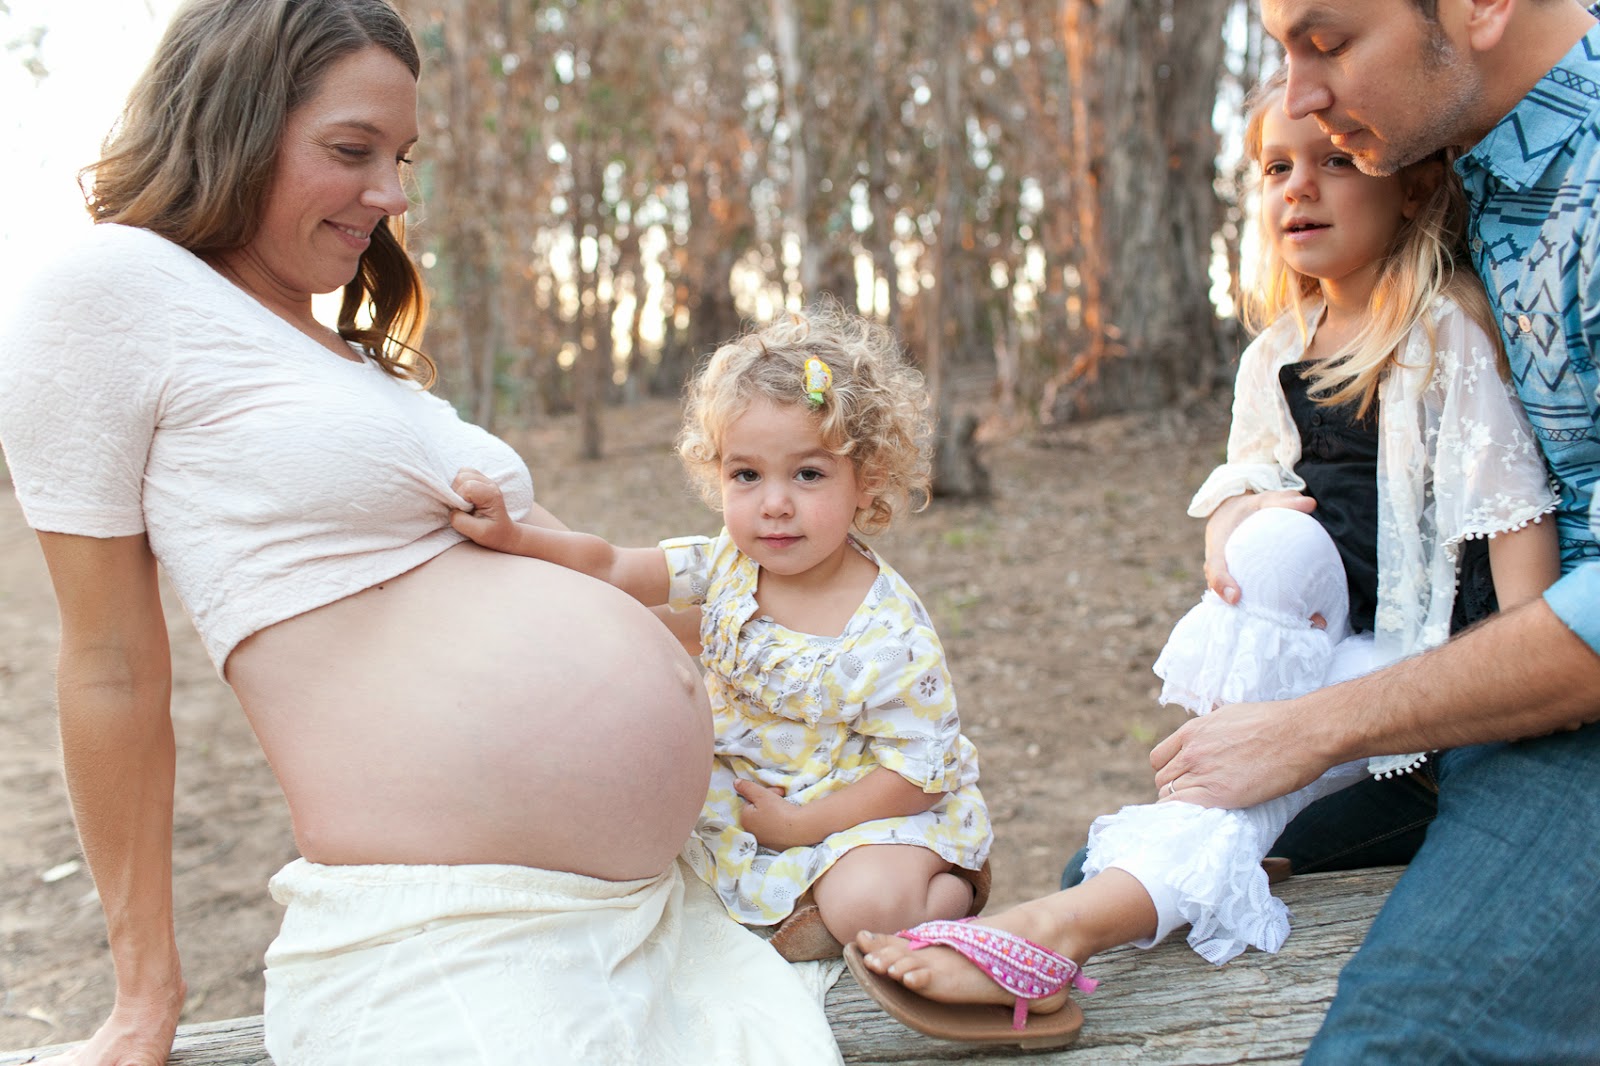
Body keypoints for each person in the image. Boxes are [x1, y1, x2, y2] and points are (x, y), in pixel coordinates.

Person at [0, 2, 841, 1064]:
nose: (392, 196)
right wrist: (143, 998)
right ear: (230, 124)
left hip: (654, 909)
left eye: (401, 157)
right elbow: (111, 663)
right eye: (352, 151)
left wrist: (841, 690)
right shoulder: (106, 291)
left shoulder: (340, 354)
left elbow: (578, 576)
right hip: (451, 927)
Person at [842, 65, 1562, 1051]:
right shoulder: (1275, 352)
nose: (1296, 187)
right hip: (1309, 658)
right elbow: (1244, 482)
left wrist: (1492, 744)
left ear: (1411, 186)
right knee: (1269, 548)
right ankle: (1134, 877)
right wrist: (1231, 525)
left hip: (1419, 692)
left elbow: (1523, 566)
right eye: (1274, 166)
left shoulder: (1442, 338)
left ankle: (1055, 935)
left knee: (1141, 845)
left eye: (1333, 161)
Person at [1162, 1, 1600, 1061]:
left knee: (1398, 1041)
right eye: (1278, 50)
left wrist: (1315, 725)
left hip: (1563, 704)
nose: (1298, 95)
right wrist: (1240, 510)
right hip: (1464, 680)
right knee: (1144, 896)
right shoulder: (1446, 159)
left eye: (1327, 41)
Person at [449, 303, 994, 965]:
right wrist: (513, 535)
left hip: (862, 811)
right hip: (747, 789)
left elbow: (919, 775)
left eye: (809, 474)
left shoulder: (887, 632)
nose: (773, 503)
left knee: (868, 905)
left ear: (866, 481)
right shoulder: (730, 564)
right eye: (747, 475)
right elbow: (614, 566)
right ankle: (803, 903)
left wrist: (803, 825)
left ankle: (947, 892)